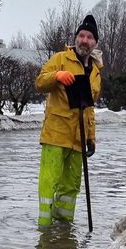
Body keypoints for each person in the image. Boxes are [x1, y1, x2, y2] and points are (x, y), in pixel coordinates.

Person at [34, 14, 102, 227]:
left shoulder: (95, 71)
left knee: (71, 186)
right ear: (75, 38)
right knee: (49, 183)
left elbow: (89, 108)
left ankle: (63, 231)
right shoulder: (60, 59)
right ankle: (44, 231)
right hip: (56, 134)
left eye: (89, 37)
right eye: (81, 35)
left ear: (95, 43)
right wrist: (57, 76)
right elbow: (39, 83)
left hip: (78, 139)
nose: (84, 40)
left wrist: (91, 137)